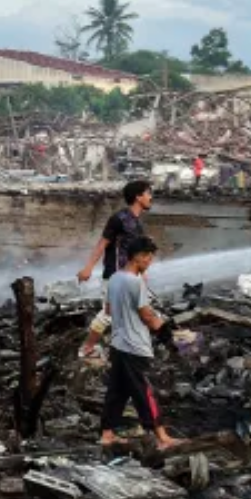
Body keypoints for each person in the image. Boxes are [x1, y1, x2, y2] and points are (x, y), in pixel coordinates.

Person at [100, 236, 183, 450]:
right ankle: (162, 438)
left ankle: (107, 434)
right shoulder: (135, 282)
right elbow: (147, 316)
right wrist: (164, 331)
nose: (150, 263)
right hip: (135, 347)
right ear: (139, 257)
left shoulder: (115, 278)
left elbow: (109, 310)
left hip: (118, 345)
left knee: (117, 392)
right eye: (149, 258)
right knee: (145, 393)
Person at [77, 180, 152, 358]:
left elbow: (136, 255)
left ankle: (126, 348)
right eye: (148, 193)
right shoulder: (119, 219)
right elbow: (103, 243)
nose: (151, 197)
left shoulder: (137, 224)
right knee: (109, 314)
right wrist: (88, 268)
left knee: (137, 311)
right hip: (115, 275)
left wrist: (143, 275)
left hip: (131, 277)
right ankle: (86, 348)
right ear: (138, 196)